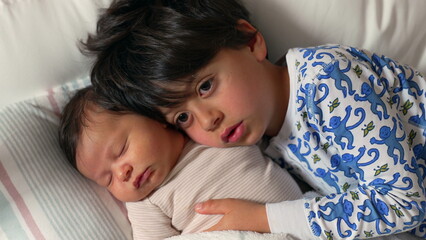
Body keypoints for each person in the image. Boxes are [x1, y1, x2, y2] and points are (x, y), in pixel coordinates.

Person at [82, 0, 426, 239]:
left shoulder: (327, 80)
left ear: (250, 41)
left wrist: (264, 219)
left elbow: (406, 201)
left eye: (206, 86)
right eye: (183, 117)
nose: (209, 120)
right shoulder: (264, 141)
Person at [58, 86, 303, 240]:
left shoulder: (212, 132)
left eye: (121, 150)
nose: (122, 173)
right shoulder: (146, 202)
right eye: (107, 179)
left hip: (302, 221)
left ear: (155, 118)